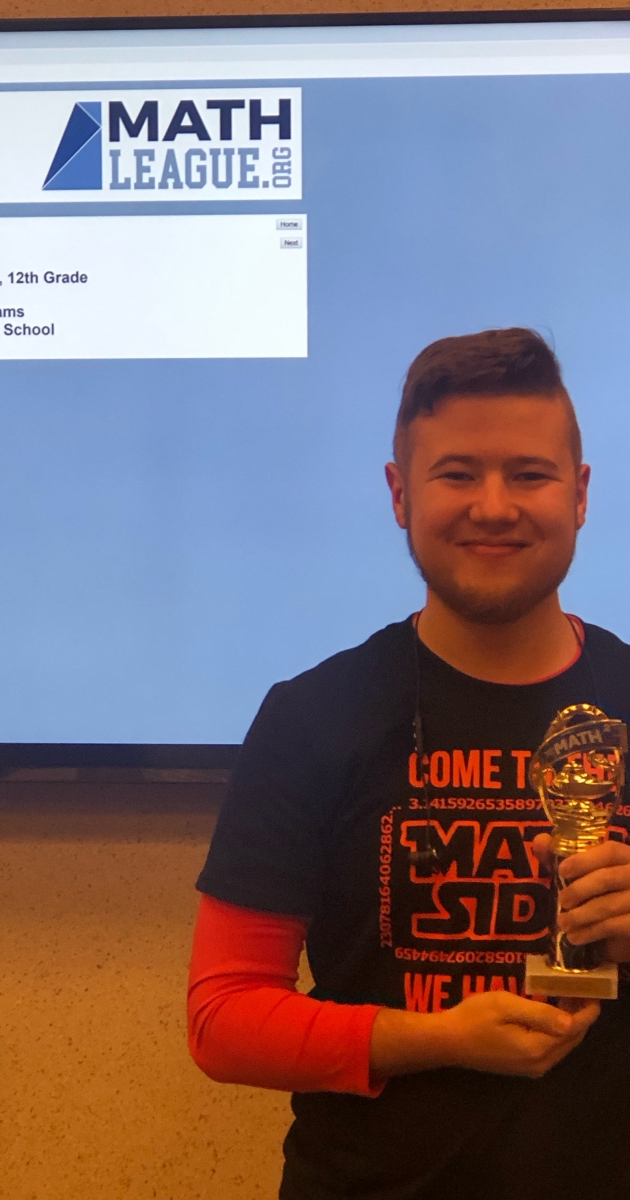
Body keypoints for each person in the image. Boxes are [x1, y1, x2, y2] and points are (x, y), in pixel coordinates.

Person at [188, 328, 630, 1200]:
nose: (494, 506)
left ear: (580, 495)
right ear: (400, 493)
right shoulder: (311, 715)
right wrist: (440, 1038)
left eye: (530, 475)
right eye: (458, 474)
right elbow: (223, 1021)